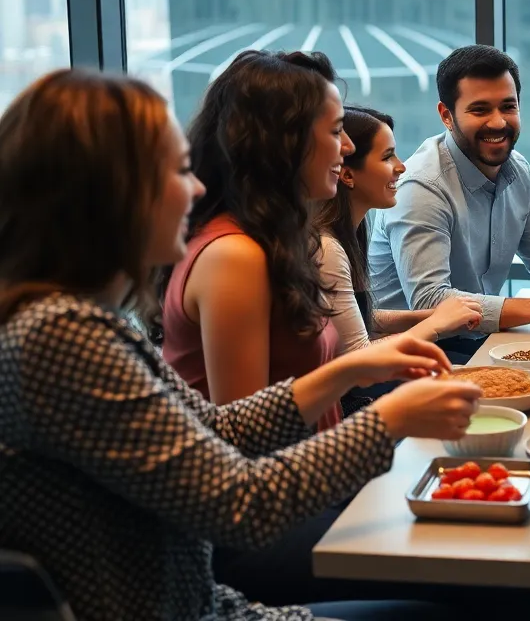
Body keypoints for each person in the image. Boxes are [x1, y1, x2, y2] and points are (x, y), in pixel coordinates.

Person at [0, 69, 485, 621]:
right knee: (461, 592)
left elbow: (215, 426)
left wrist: (344, 373)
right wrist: (387, 421)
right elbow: (239, 502)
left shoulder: (67, 325)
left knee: (468, 580)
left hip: (202, 600)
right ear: (109, 194)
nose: (198, 187)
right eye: (178, 170)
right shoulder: (59, 338)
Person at [160, 49, 355, 430]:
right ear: (284, 143)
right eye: (335, 131)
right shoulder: (234, 255)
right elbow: (245, 432)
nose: (347, 146)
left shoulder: (269, 241)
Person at [367, 45, 530, 362]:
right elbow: (430, 301)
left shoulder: (518, 171)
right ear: (447, 115)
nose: (498, 122)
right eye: (480, 109)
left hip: (475, 342)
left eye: (508, 107)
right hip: (408, 356)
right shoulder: (422, 186)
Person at [315, 105, 481, 355]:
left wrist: (434, 315)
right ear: (347, 175)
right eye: (387, 157)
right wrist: (436, 323)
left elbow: (361, 319)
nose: (401, 166)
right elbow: (359, 355)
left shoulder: (351, 234)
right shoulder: (328, 248)